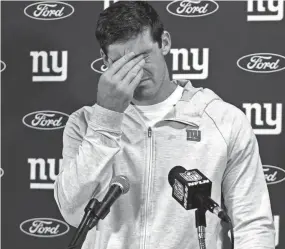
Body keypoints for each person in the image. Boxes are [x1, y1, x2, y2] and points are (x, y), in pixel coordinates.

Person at [54, 1, 275, 249]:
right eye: (121, 62)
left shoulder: (224, 120)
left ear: (165, 43)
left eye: (143, 56)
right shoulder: (84, 124)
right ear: (104, 61)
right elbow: (73, 214)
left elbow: (253, 225)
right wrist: (107, 117)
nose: (136, 70)